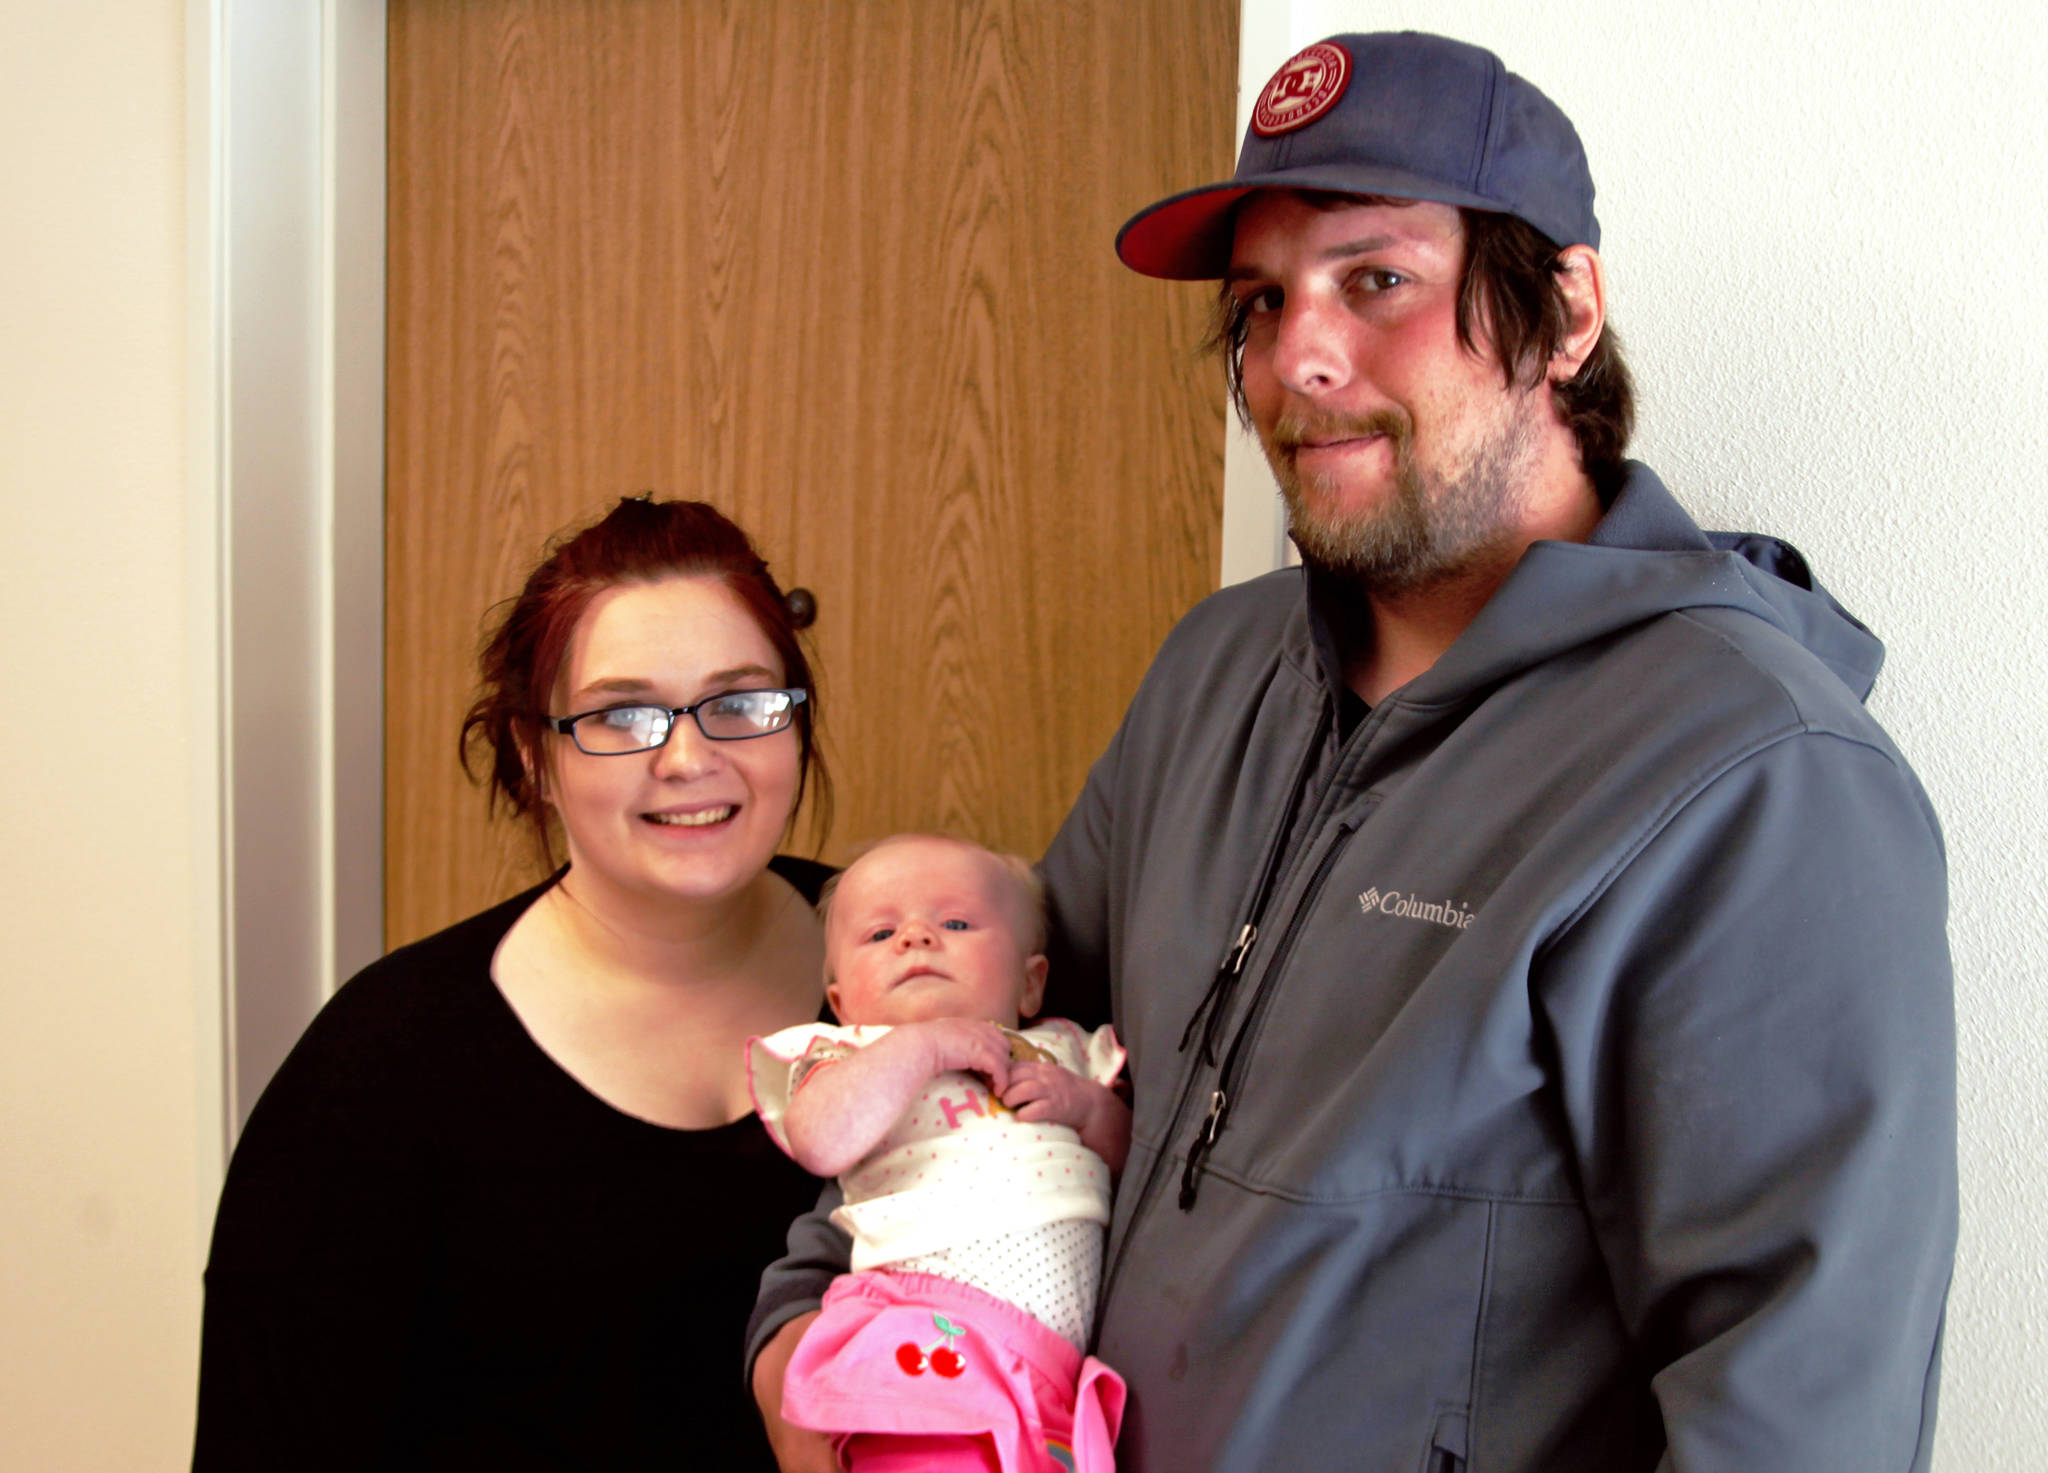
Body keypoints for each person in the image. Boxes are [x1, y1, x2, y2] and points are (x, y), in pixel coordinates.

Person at [751, 32, 1956, 1473]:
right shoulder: (1217, 668)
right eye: (1260, 300)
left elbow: (1795, 1413)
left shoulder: (1759, 771)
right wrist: (802, 1335)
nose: (1297, 358)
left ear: (1565, 311)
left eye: (1375, 280)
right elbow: (960, 1023)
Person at [195, 496, 836, 1471]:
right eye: (621, 715)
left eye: (741, 702)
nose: (690, 758)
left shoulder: (923, 972)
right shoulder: (377, 1070)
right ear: (536, 757)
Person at [748, 834, 1129, 1472]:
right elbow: (819, 1141)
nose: (916, 938)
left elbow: (1133, 1160)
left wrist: (1091, 1109)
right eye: (879, 934)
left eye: (955, 922)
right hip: (916, 1330)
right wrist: (922, 1047)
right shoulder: (851, 1056)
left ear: (1031, 984)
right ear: (842, 1006)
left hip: (1048, 1374)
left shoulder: (1065, 1051)